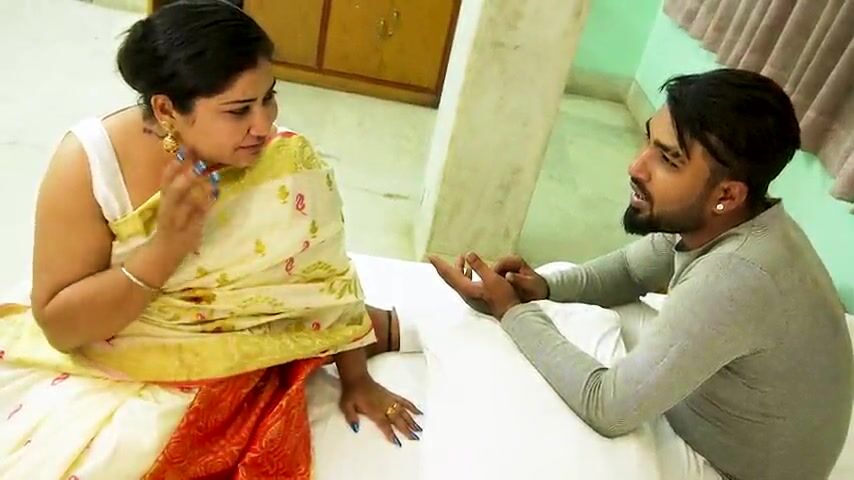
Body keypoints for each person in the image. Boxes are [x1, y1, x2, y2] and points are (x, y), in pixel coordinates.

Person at [0, 1, 421, 478]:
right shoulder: (91, 164)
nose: (263, 125)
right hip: (114, 351)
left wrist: (357, 379)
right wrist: (166, 249)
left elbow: (323, 283)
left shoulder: (286, 162)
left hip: (237, 360)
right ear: (166, 109)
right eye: (239, 110)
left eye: (269, 98)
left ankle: (384, 327)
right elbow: (61, 327)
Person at [431, 68, 853, 480]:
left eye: (668, 159)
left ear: (726, 194)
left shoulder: (737, 277)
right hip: (718, 412)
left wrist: (511, 311)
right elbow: (631, 271)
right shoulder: (724, 219)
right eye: (650, 141)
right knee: (559, 284)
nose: (636, 166)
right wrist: (538, 288)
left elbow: (607, 409)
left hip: (725, 467)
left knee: (533, 408)